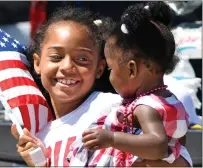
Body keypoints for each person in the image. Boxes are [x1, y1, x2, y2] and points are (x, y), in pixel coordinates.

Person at [11, 6, 192, 167]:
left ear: (100, 68)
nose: (67, 67)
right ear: (37, 63)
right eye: (56, 57)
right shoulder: (40, 134)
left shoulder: (115, 109)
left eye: (82, 59)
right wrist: (38, 162)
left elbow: (173, 155)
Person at [68, 1, 191, 167]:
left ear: (131, 70)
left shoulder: (145, 107)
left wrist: (112, 139)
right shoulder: (171, 100)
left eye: (111, 69)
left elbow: (158, 146)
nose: (109, 77)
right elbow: (179, 140)